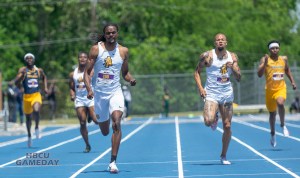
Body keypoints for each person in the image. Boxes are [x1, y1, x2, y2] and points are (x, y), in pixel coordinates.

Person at [84, 23, 136, 173]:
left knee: (116, 123)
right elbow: (87, 73)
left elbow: (125, 74)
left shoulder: (123, 51)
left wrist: (131, 79)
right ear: (105, 35)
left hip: (115, 92)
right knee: (105, 131)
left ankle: (113, 162)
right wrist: (89, 89)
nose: (111, 35)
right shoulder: (96, 49)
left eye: (113, 33)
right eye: (108, 33)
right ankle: (99, 119)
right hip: (99, 95)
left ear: (117, 34)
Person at [194, 33, 241, 165]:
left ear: (226, 42)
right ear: (215, 43)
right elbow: (196, 72)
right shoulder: (208, 56)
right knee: (208, 121)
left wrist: (234, 69)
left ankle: (223, 156)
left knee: (227, 126)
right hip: (212, 93)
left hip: (226, 94)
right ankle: (214, 117)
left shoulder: (232, 57)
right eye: (217, 40)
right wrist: (201, 89)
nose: (220, 42)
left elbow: (238, 77)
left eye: (222, 40)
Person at [257, 40, 297, 147]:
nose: (275, 50)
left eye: (277, 48)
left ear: (279, 49)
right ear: (269, 50)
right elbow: (259, 74)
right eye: (272, 48)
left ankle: (283, 125)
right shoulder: (265, 59)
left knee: (280, 103)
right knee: (272, 114)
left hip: (280, 88)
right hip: (269, 90)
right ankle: (273, 134)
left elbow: (287, 70)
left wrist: (292, 82)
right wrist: (265, 63)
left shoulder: (283, 59)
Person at [13, 53, 48, 147]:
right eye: (27, 58)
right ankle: (29, 136)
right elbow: (15, 82)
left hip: (36, 95)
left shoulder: (39, 70)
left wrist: (45, 88)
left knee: (36, 110)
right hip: (26, 97)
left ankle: (36, 127)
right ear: (25, 60)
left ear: (34, 60)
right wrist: (21, 76)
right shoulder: (22, 70)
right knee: (28, 118)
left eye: (31, 58)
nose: (29, 59)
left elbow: (44, 78)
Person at [69, 51, 98, 153]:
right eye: (80, 57)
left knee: (96, 120)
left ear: (88, 59)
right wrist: (72, 94)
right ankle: (87, 144)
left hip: (90, 98)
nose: (82, 59)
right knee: (82, 122)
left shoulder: (92, 71)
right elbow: (71, 87)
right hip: (80, 100)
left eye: (85, 57)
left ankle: (91, 115)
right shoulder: (73, 74)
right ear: (78, 59)